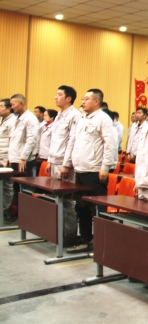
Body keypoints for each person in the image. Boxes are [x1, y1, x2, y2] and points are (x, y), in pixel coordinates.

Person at [65, 89, 117, 253]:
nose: (83, 101)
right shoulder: (82, 119)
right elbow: (75, 142)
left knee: (97, 209)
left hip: (95, 171)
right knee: (81, 207)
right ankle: (86, 239)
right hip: (80, 170)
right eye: (82, 98)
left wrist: (105, 167)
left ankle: (103, 242)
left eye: (86, 99)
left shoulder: (103, 119)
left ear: (96, 101)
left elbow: (110, 144)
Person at [46, 86, 80, 240]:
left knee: (67, 201)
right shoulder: (59, 115)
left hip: (64, 164)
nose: (55, 97)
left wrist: (66, 164)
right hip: (55, 161)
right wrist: (49, 160)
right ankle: (58, 232)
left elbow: (72, 141)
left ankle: (69, 235)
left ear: (68, 98)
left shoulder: (75, 116)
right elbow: (54, 140)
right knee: (56, 199)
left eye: (59, 94)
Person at [8, 94, 39, 179]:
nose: (12, 107)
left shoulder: (31, 119)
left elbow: (31, 140)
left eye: (13, 104)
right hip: (15, 158)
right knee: (15, 184)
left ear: (21, 103)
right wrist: (10, 157)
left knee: (23, 184)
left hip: (24, 160)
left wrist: (23, 158)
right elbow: (14, 140)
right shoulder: (17, 119)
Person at [0, 99, 16, 218]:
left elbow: (13, 141)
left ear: (9, 108)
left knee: (7, 185)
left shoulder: (13, 121)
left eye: (1, 106)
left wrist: (9, 157)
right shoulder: (2, 120)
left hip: (6, 157)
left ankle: (5, 209)